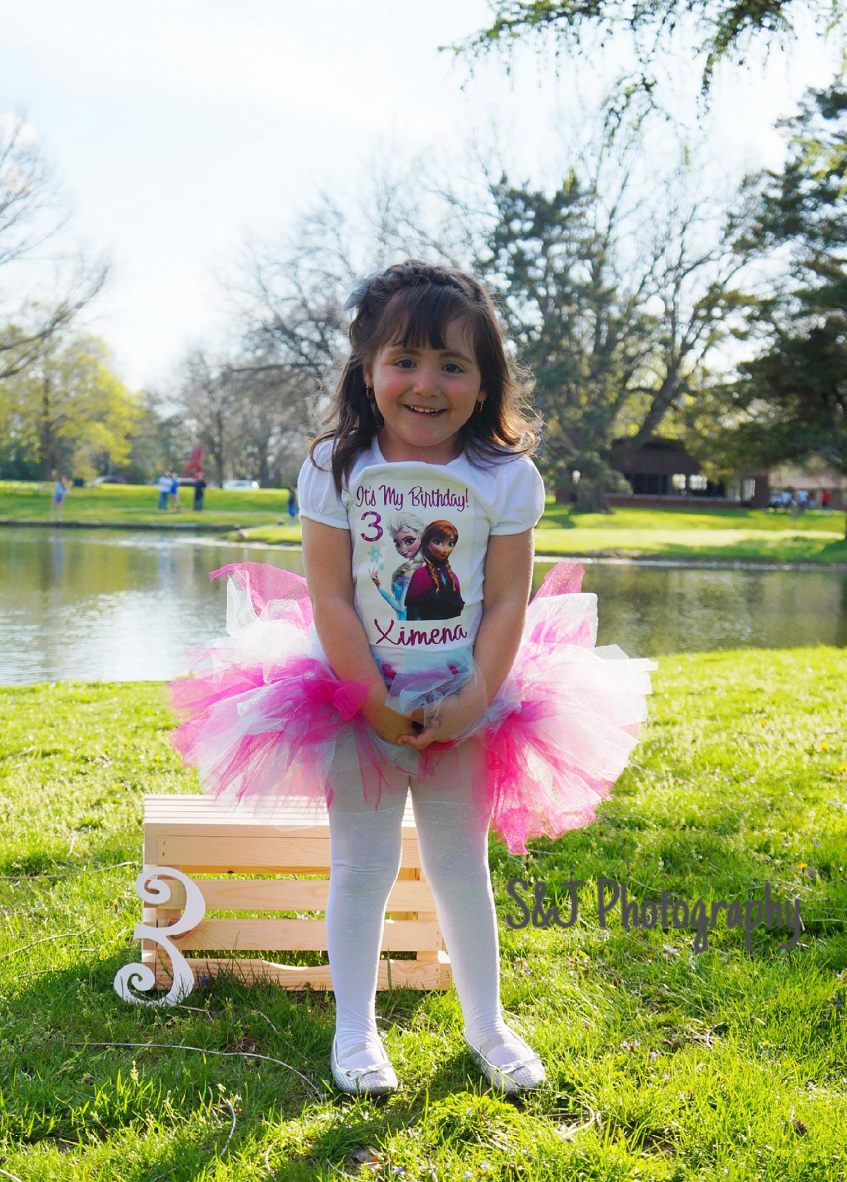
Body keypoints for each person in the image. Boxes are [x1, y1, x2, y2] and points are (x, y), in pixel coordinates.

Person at [167, 261, 655, 1097]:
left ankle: (487, 1025)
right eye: (406, 360)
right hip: (356, 698)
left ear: (483, 381)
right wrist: (372, 701)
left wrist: (470, 700)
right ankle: (355, 1033)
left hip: (471, 695)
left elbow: (505, 600)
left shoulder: (506, 478)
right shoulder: (336, 465)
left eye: (453, 365)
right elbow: (328, 592)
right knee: (360, 865)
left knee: (460, 864)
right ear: (367, 368)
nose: (426, 383)